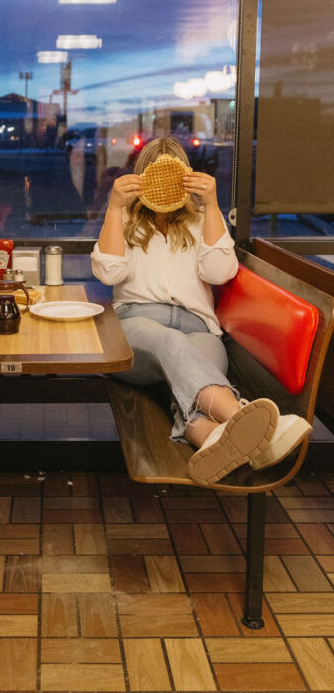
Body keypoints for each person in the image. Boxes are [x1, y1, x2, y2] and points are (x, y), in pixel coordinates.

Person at [91, 137, 311, 485]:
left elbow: (220, 273)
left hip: (200, 330)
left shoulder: (200, 221)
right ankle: (259, 428)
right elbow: (108, 272)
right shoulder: (128, 221)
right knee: (170, 344)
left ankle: (211, 438)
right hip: (136, 326)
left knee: (189, 377)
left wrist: (211, 205)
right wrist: (115, 208)